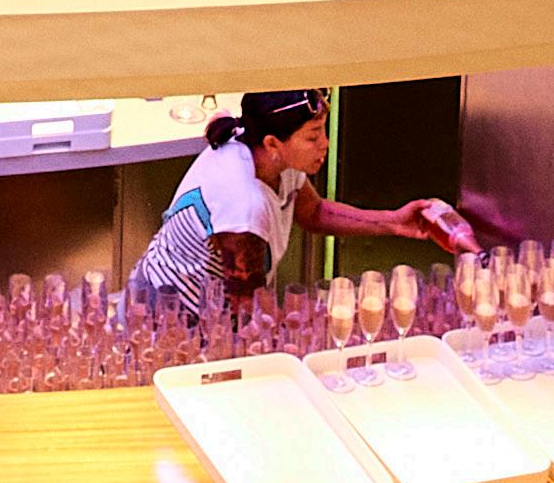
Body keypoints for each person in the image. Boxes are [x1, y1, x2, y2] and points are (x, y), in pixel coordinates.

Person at [125, 93, 467, 353]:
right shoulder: (244, 207)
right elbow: (245, 308)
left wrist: (393, 222)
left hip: (214, 310)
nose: (325, 144)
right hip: (169, 322)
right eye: (313, 136)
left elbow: (313, 212)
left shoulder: (267, 156)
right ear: (273, 144)